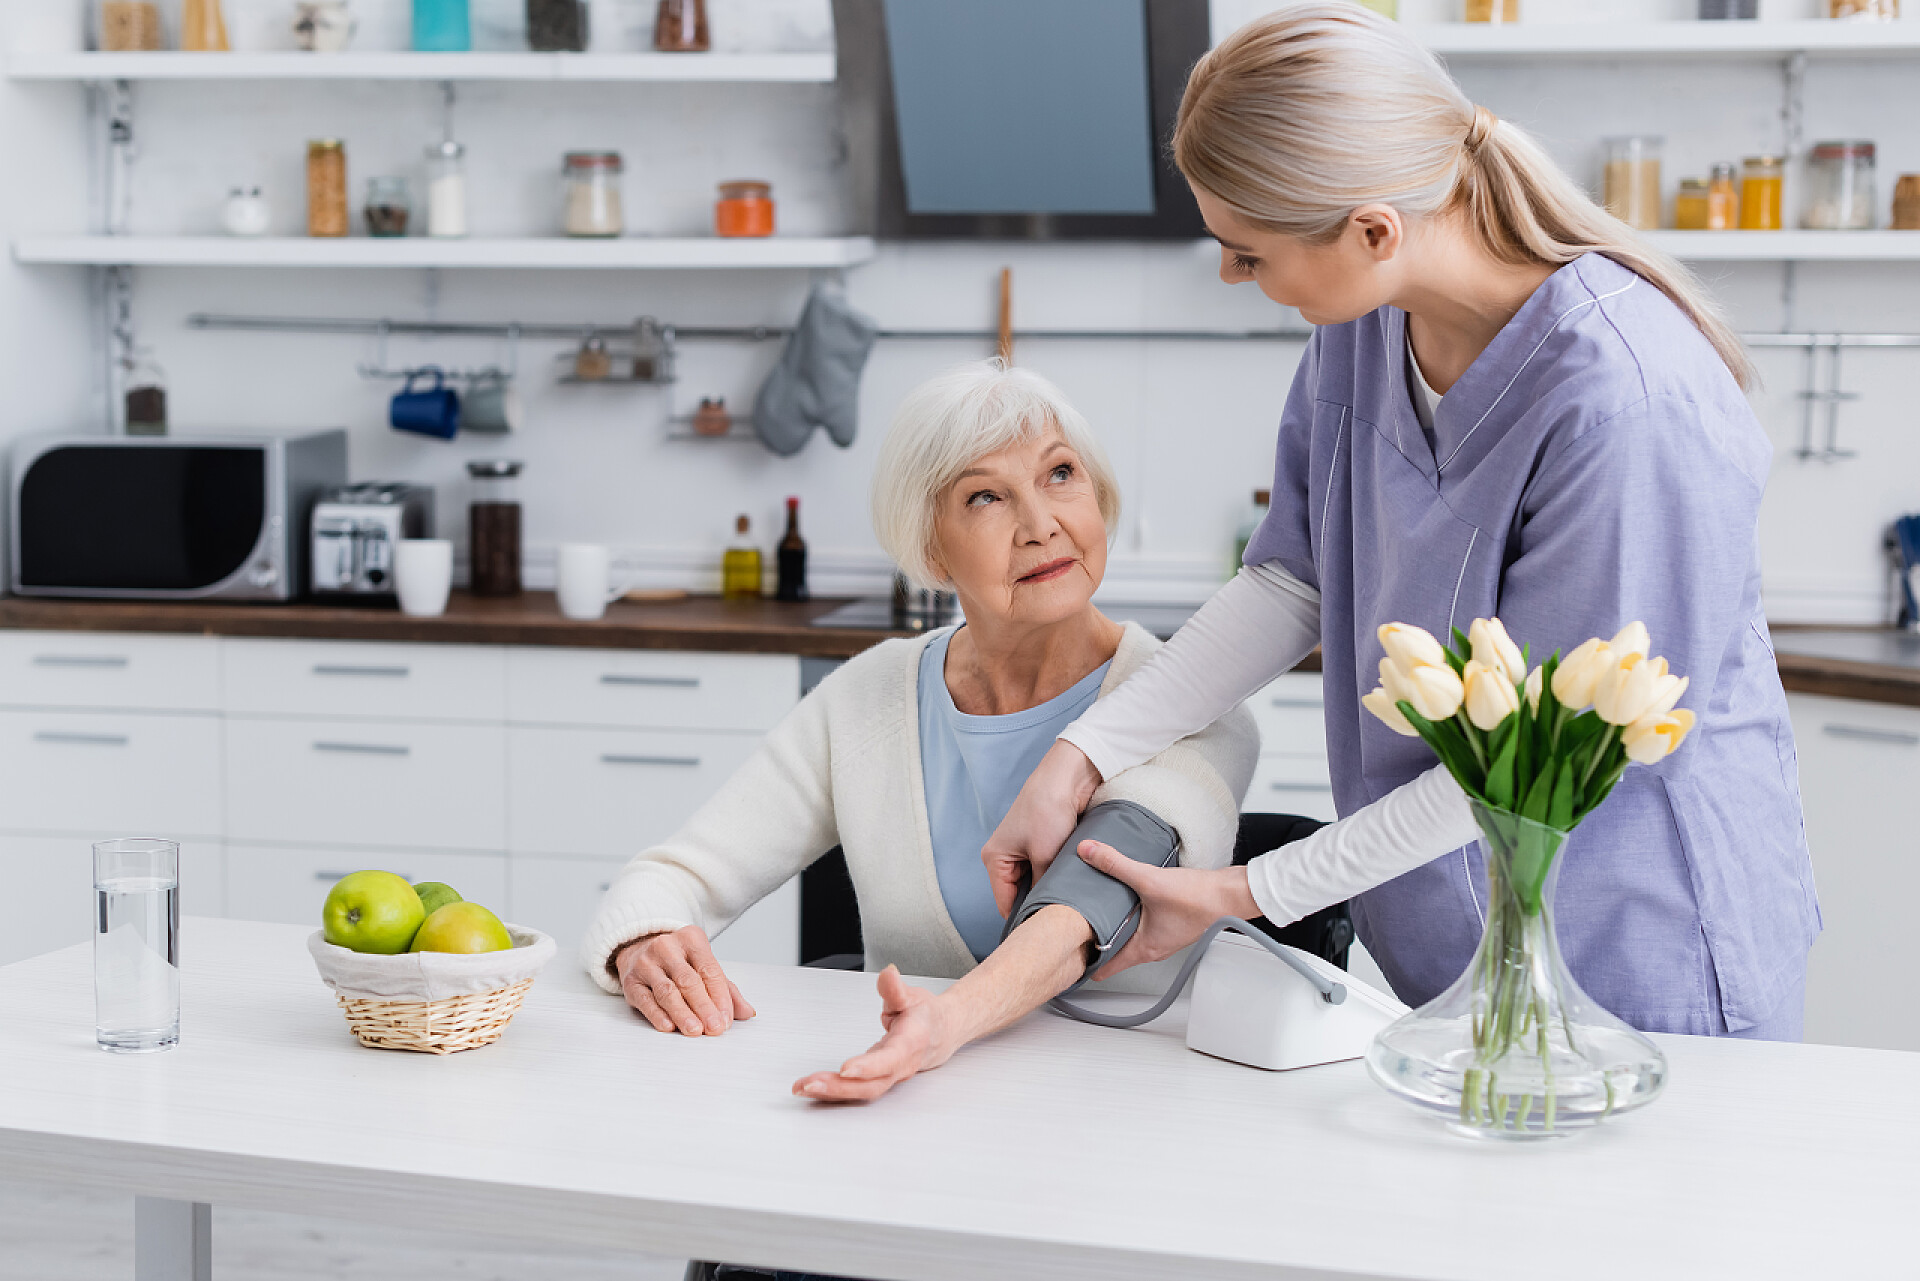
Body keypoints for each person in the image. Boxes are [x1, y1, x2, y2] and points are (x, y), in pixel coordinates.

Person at [986, 3, 1817, 1041]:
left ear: (1374, 230)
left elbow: (1538, 762)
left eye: (1249, 254)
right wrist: (1083, 753)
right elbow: (1294, 581)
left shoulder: (1627, 401)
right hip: (1442, 955)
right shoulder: (1364, 331)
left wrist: (1249, 891)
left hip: (1637, 960)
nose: (1236, 277)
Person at [579, 359, 1256, 1103]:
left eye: (1061, 474)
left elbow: (1081, 910)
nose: (1041, 525)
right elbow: (670, 877)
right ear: (932, 548)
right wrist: (642, 938)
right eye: (987, 496)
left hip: (1136, 1108)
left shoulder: (1194, 701)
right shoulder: (869, 699)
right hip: (905, 1102)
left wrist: (943, 1023)